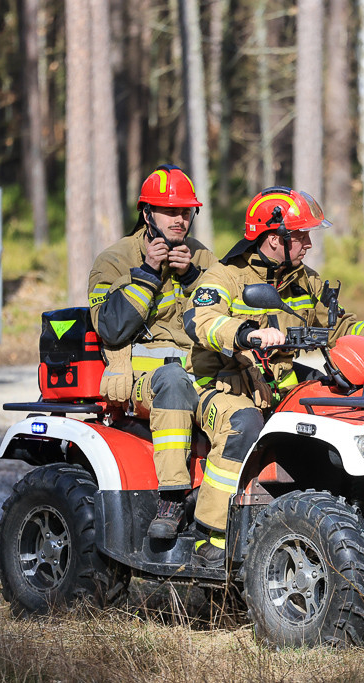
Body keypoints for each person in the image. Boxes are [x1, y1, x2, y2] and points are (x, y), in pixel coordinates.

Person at [182, 186, 364, 567]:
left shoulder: (304, 280)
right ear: (274, 239)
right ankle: (211, 535)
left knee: (341, 408)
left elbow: (340, 325)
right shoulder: (224, 277)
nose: (308, 244)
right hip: (222, 385)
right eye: (301, 235)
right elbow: (199, 319)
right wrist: (244, 333)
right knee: (243, 424)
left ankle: (355, 528)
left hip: (277, 382)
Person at [88, 164, 217, 540]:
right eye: (170, 211)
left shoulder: (203, 259)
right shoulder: (114, 260)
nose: (180, 220)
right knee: (175, 381)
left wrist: (194, 279)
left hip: (203, 379)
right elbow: (111, 327)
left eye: (186, 212)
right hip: (143, 386)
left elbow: (227, 317)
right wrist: (147, 273)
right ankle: (173, 499)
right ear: (147, 214)